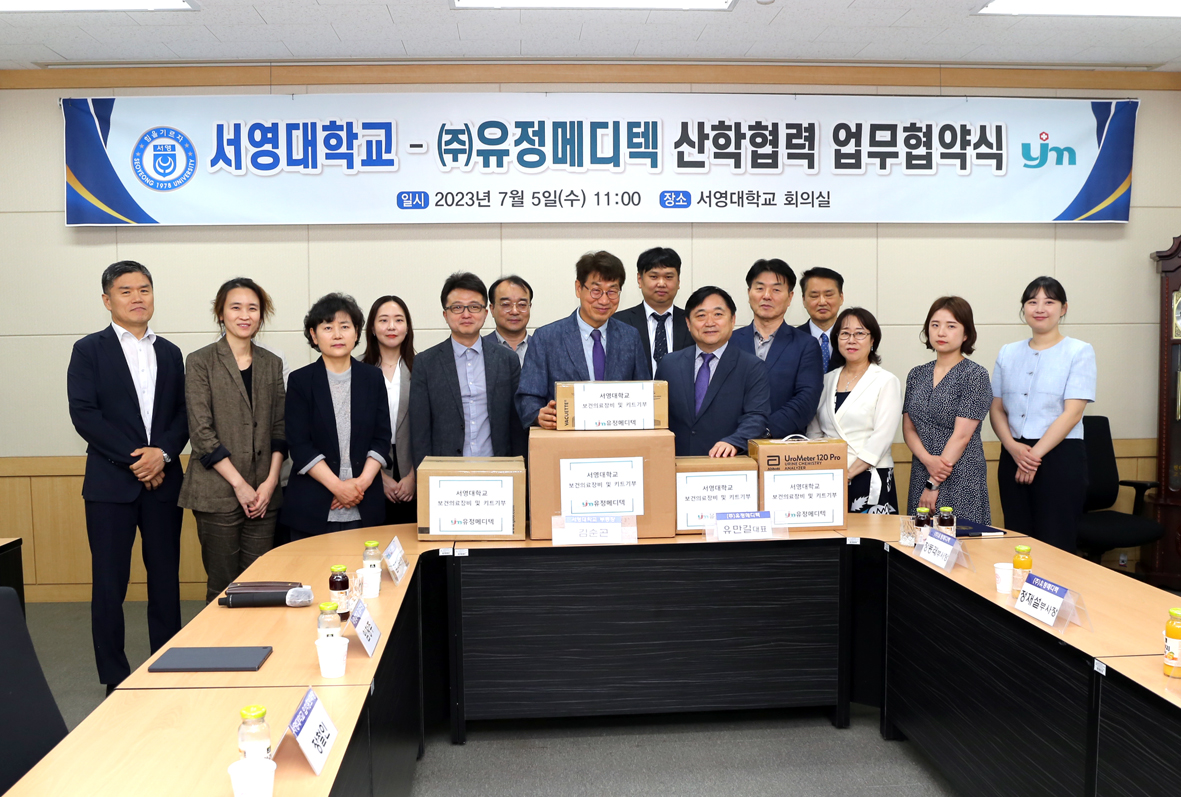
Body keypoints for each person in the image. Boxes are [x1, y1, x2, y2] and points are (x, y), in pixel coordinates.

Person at [66, 261, 188, 694]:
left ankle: (167, 664)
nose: (138, 298)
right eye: (126, 291)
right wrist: (139, 460)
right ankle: (114, 679)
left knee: (165, 582)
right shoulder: (88, 350)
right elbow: (84, 414)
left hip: (164, 484)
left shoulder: (170, 353)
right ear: (107, 300)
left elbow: (183, 414)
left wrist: (163, 455)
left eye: (144, 289)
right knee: (109, 585)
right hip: (110, 486)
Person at [179, 278, 286, 603]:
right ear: (220, 313)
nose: (244, 315)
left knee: (259, 586)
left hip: (264, 495)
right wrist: (240, 485)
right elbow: (201, 433)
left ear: (261, 315)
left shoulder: (271, 363)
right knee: (222, 588)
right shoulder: (200, 361)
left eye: (252, 308)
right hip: (217, 494)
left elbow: (279, 428)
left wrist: (269, 483)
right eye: (235, 307)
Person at [990, 276, 1096, 551]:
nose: (1039, 308)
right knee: (1017, 539)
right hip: (1013, 454)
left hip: (1059, 457)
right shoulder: (1007, 352)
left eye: (1049, 302)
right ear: (1023, 308)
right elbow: (997, 407)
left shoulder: (1079, 351)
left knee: (1055, 542)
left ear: (1063, 308)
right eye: (1032, 302)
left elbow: (1072, 413)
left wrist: (1033, 457)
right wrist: (1012, 447)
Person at [281, 293, 391, 541]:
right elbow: (299, 445)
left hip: (365, 503)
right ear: (314, 335)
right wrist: (338, 487)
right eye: (328, 327)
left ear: (356, 332)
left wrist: (359, 485)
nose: (337, 335)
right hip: (313, 505)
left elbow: (382, 438)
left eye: (345, 326)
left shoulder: (372, 378)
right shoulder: (300, 381)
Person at [516, 250, 651, 429]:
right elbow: (528, 397)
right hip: (565, 440)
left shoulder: (630, 337)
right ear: (578, 288)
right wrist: (538, 414)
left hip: (618, 438)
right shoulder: (547, 338)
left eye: (612, 291)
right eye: (596, 291)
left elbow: (644, 393)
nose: (604, 300)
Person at [411, 272, 524, 465]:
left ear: (485, 313)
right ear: (445, 315)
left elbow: (516, 425)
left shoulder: (507, 360)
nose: (466, 314)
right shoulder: (425, 363)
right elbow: (419, 430)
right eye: (457, 307)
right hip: (445, 470)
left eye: (474, 307)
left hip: (497, 468)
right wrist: (425, 474)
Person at [902, 296, 994, 525]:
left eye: (951, 326)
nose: (941, 332)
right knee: (920, 538)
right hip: (922, 469)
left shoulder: (975, 375)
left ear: (966, 334)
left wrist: (933, 483)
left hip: (961, 474)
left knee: (960, 540)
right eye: (935, 325)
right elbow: (909, 428)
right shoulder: (916, 374)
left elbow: (962, 436)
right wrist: (927, 461)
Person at [808, 308, 901, 514]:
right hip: (829, 477)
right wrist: (824, 470)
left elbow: (882, 438)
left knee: (870, 534)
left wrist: (848, 474)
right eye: (845, 333)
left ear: (872, 340)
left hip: (869, 474)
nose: (851, 340)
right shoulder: (826, 380)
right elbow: (814, 433)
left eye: (859, 333)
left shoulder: (885, 381)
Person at [656, 286, 770, 457]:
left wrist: (734, 441)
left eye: (718, 314)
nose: (709, 323)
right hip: (675, 460)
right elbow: (657, 416)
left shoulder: (752, 366)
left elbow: (757, 416)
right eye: (701, 315)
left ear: (733, 320)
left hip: (726, 462)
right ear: (688, 323)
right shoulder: (669, 364)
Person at [731, 258, 823, 438]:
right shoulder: (729, 342)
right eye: (759, 288)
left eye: (776, 290)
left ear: (790, 297)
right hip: (730, 444)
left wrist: (763, 431)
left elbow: (806, 399)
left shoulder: (806, 345)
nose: (767, 296)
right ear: (749, 293)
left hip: (782, 444)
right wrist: (737, 437)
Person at [362, 295, 417, 525]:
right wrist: (378, 478)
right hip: (368, 472)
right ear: (372, 328)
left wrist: (414, 476)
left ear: (407, 327)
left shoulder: (423, 368)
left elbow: (434, 428)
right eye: (383, 320)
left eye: (399, 320)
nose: (391, 326)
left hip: (413, 468)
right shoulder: (357, 369)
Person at [614, 247, 693, 376]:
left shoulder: (693, 322)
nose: (661, 283)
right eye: (654, 276)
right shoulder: (619, 322)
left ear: (678, 281)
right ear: (640, 280)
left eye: (668, 277)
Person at [798, 267, 845, 374]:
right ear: (804, 300)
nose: (822, 302)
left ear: (841, 298)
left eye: (829, 295)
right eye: (814, 296)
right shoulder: (792, 340)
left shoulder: (853, 339)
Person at [484, 275, 533, 367]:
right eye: (506, 304)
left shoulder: (543, 348)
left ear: (529, 307)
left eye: (522, 304)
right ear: (492, 309)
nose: (514, 311)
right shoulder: (479, 348)